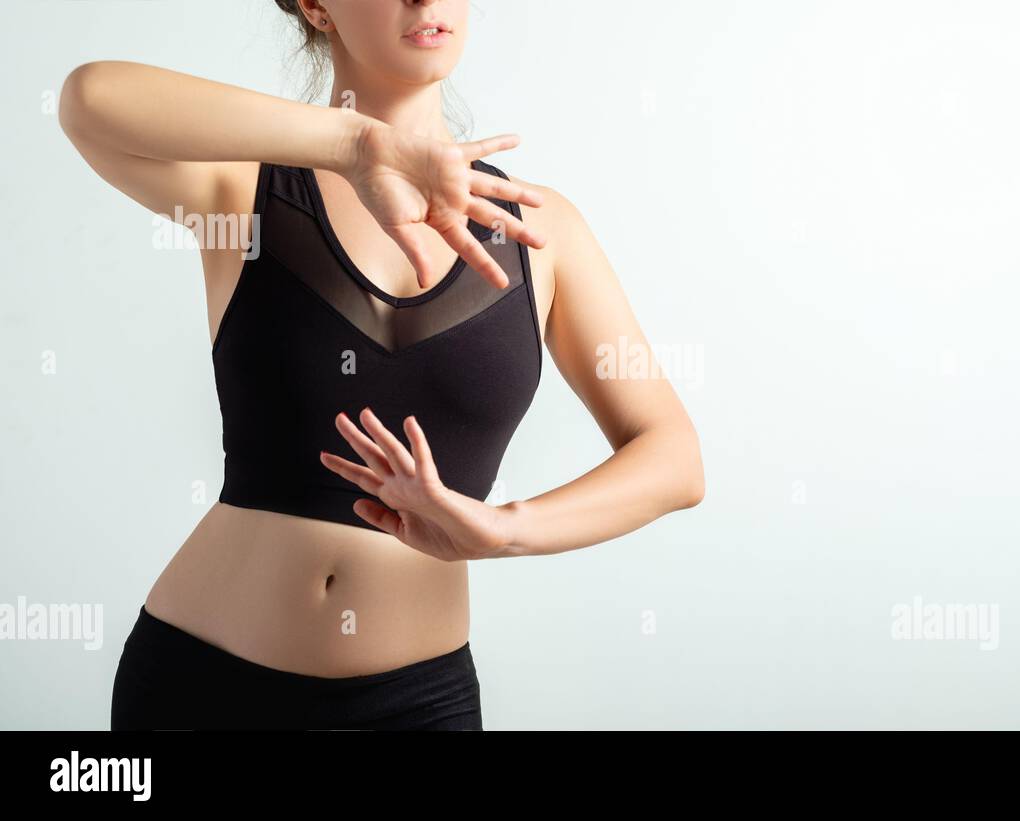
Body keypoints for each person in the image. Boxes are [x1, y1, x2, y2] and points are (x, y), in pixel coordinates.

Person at [58, 0, 704, 730]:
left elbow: (675, 458)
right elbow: (89, 98)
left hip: (416, 706)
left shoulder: (538, 227)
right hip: (201, 688)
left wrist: (507, 528)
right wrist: (356, 145)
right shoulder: (245, 190)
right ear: (314, 6)